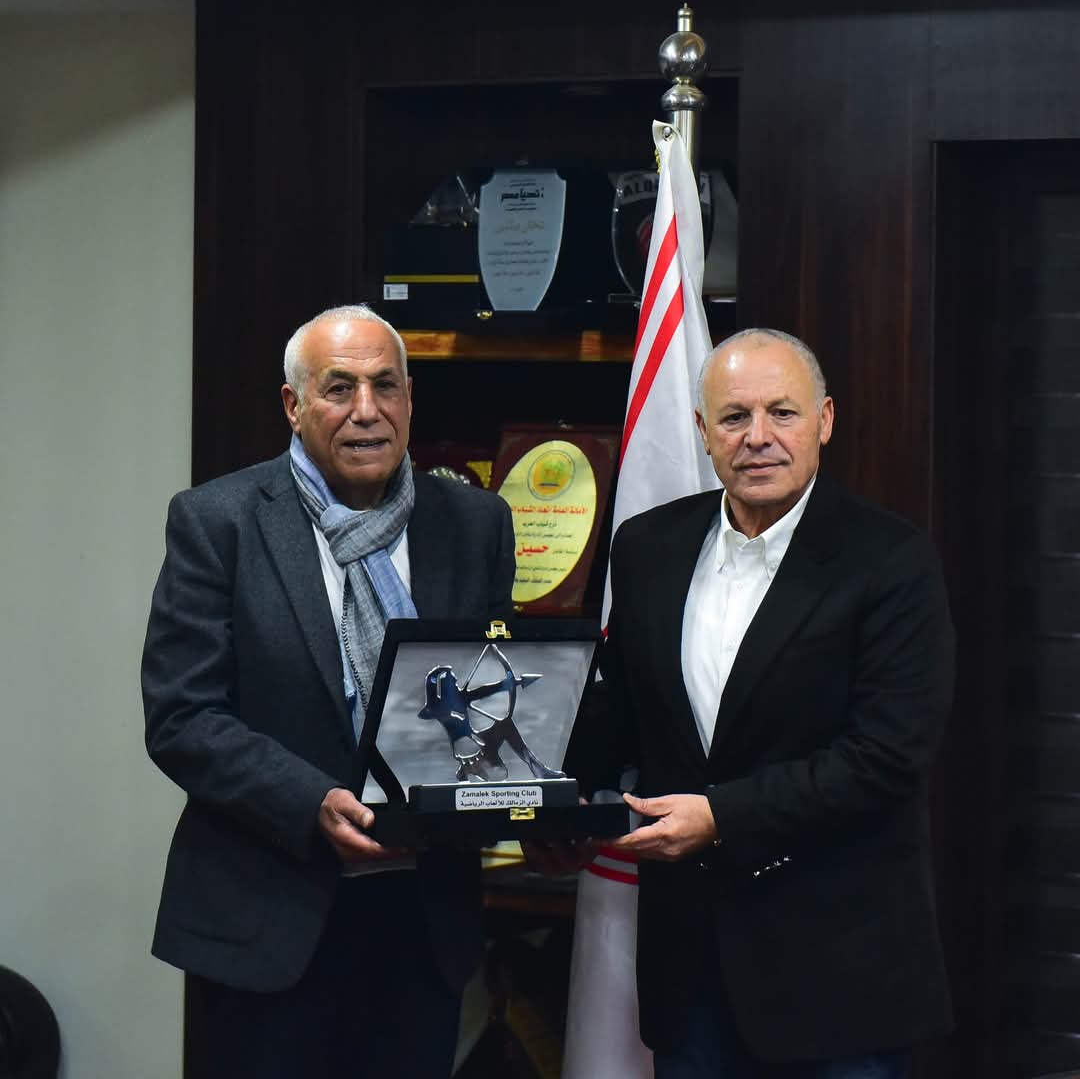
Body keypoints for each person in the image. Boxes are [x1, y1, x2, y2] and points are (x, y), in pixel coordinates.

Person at [567, 328, 954, 1078]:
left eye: (782, 412)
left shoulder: (891, 561)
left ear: (825, 421)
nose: (758, 437)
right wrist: (562, 806)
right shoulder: (647, 547)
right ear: (701, 430)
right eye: (735, 416)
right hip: (688, 975)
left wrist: (721, 817)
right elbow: (622, 711)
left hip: (837, 980)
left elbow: (885, 757)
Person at [141, 304, 515, 1079]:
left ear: (409, 398)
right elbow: (183, 716)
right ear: (294, 404)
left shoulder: (476, 522)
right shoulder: (220, 522)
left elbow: (489, 693)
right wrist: (311, 801)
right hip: (269, 918)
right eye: (339, 388)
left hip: (421, 921)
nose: (366, 411)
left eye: (386, 386)